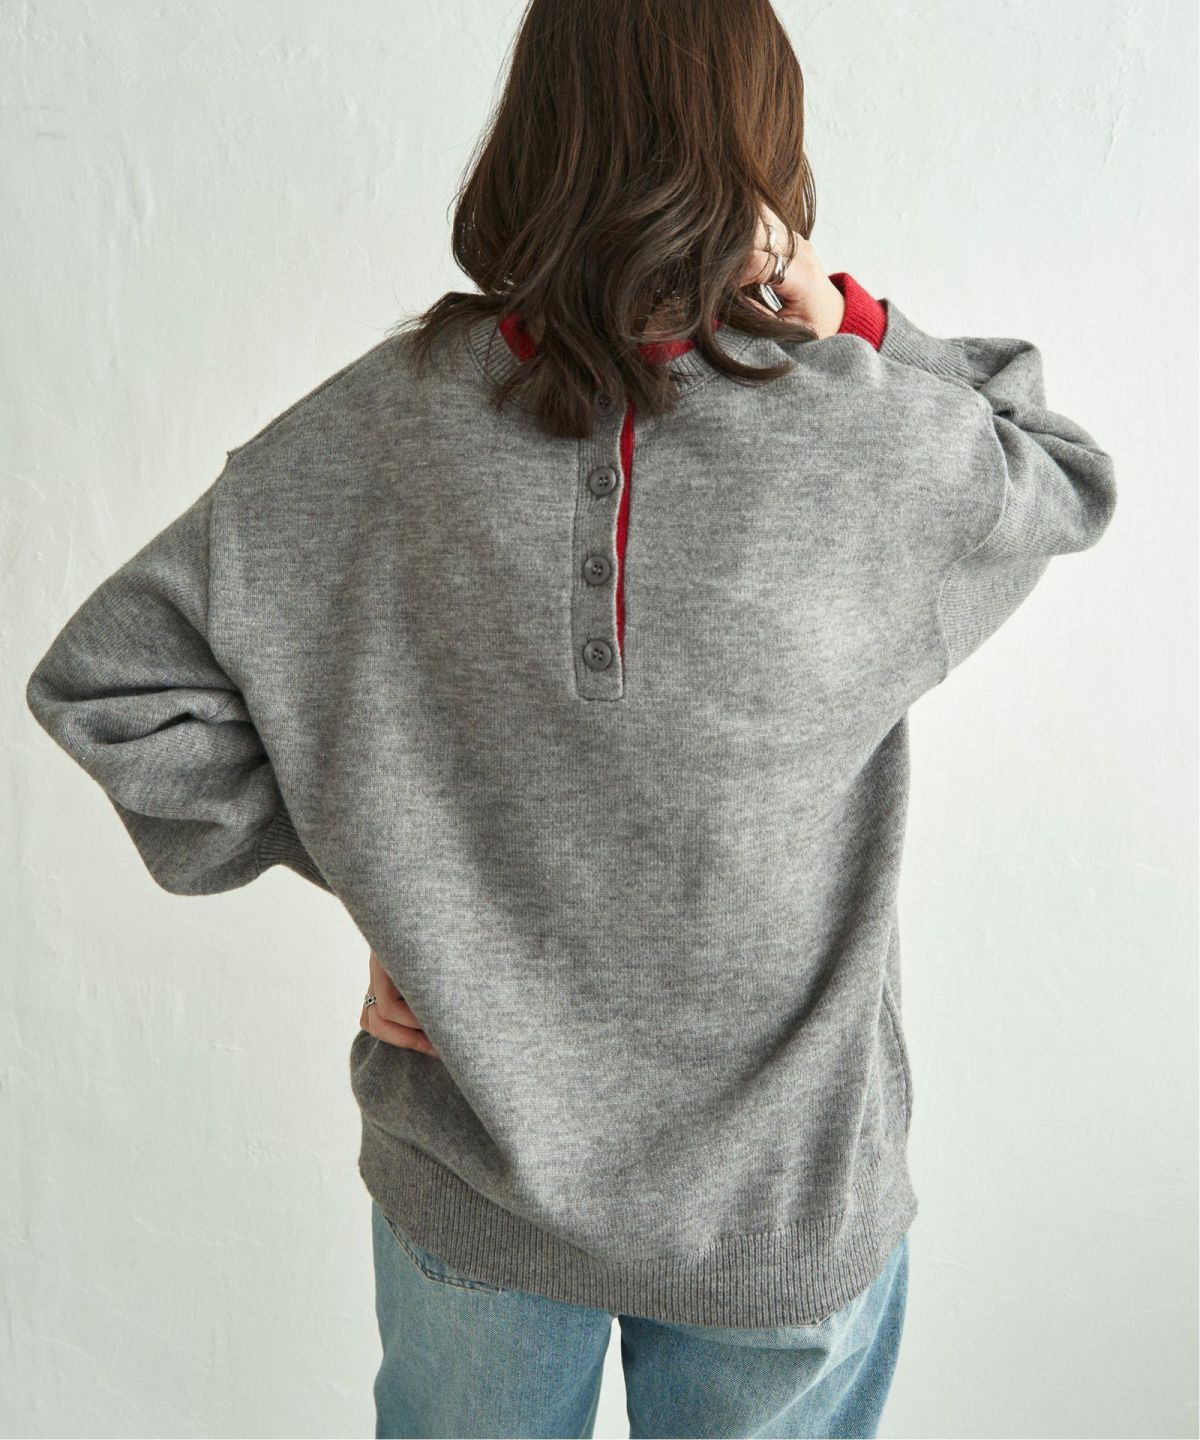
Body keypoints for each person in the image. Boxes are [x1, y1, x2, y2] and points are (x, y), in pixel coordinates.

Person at [23, 1, 1118, 1436]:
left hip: (489, 1174)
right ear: (760, 157)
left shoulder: (379, 427)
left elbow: (115, 684)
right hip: (774, 1203)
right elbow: (1059, 465)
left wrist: (395, 879)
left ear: (530, 137)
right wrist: (849, 313)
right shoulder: (872, 436)